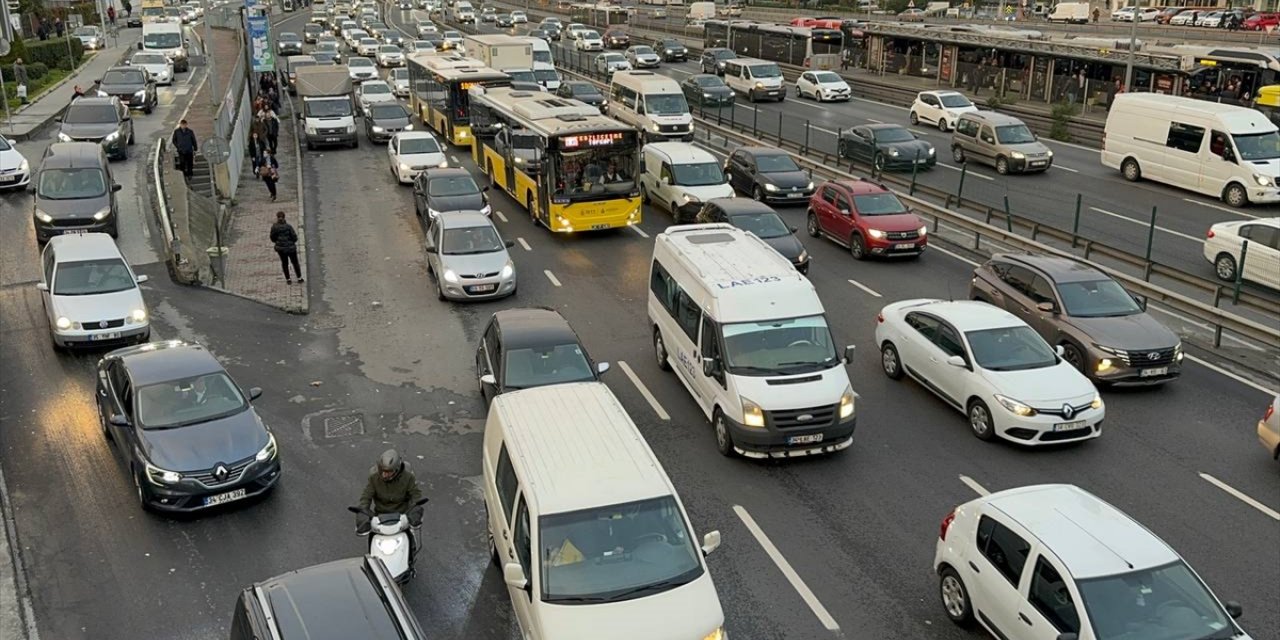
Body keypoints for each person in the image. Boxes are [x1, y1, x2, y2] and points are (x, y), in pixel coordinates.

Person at [356, 450, 424, 555]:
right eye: (382, 471)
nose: (384, 474)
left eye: (388, 472)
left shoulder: (408, 477)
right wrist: (363, 511)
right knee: (372, 539)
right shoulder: (374, 478)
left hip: (401, 516)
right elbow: (366, 496)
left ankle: (410, 559)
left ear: (396, 470)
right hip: (381, 516)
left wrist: (415, 509)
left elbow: (415, 494)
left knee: (410, 543)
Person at [269, 211, 304, 283]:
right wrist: (291, 242)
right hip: (291, 248)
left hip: (281, 249)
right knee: (295, 262)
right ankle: (299, 278)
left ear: (277, 217)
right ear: (284, 217)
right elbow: (294, 237)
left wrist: (278, 242)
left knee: (284, 263)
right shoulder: (288, 226)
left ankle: (288, 279)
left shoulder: (274, 227)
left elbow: (272, 238)